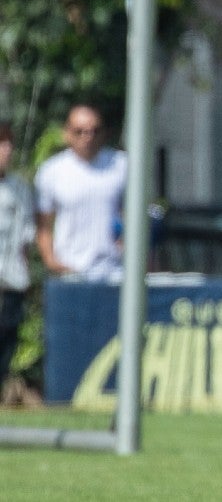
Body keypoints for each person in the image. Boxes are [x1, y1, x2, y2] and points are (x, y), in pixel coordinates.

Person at [35, 104, 127, 281]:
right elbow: (43, 225)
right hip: (70, 271)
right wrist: (51, 261)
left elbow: (134, 215)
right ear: (67, 133)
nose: (88, 137)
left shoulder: (121, 165)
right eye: (80, 131)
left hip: (114, 271)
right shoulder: (52, 170)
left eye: (94, 131)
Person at [0, 122, 35, 395]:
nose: (7, 150)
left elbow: (25, 239)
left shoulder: (20, 189)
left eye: (10, 143)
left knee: (7, 340)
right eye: (2, 143)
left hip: (10, 281)